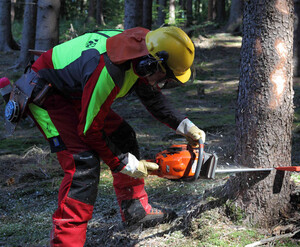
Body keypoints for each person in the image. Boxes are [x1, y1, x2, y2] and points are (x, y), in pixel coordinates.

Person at [1, 26, 205, 247]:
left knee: (122, 136)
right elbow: (89, 131)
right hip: (47, 93)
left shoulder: (144, 49)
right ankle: (66, 243)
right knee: (82, 165)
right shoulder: (109, 69)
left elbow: (152, 97)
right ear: (152, 64)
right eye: (166, 78)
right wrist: (122, 163)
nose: (164, 84)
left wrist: (185, 126)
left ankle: (136, 209)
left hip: (76, 89)